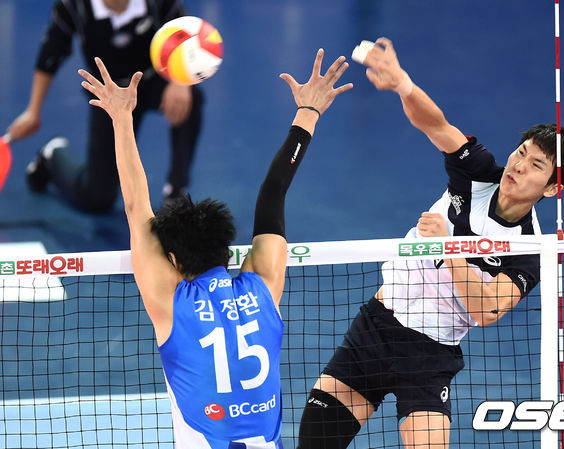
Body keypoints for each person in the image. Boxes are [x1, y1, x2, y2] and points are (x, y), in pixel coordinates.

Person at [297, 38, 564, 449]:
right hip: (376, 328)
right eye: (521, 152)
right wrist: (403, 84)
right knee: (314, 444)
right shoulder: (478, 174)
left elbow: (487, 310)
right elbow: (436, 125)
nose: (518, 166)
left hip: (429, 357)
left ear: (552, 189)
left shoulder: (530, 251)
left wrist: (449, 248)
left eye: (536, 165)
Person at [78, 48, 352, 448]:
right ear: (227, 248)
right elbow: (274, 192)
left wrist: (122, 118)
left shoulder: (171, 303)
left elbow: (136, 208)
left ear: (173, 259)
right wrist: (308, 112)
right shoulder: (262, 288)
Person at [9, 0, 203, 212]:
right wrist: (33, 111)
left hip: (152, 80)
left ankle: (176, 192)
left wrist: (180, 81)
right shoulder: (72, 6)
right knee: (97, 198)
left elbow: (184, 35)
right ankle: (53, 156)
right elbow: (50, 55)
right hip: (108, 94)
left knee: (192, 97)